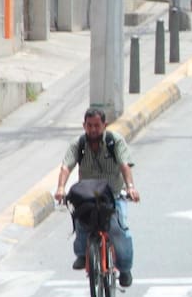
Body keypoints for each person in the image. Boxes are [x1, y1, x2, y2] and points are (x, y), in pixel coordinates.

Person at [54, 107, 139, 287]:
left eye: (97, 126)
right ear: (84, 126)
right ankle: (82, 255)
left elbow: (125, 165)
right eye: (89, 126)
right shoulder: (79, 145)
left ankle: (124, 268)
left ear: (104, 125)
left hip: (112, 195)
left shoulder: (114, 142)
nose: (93, 130)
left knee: (118, 229)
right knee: (81, 221)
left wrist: (130, 187)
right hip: (88, 196)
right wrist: (61, 187)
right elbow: (65, 167)